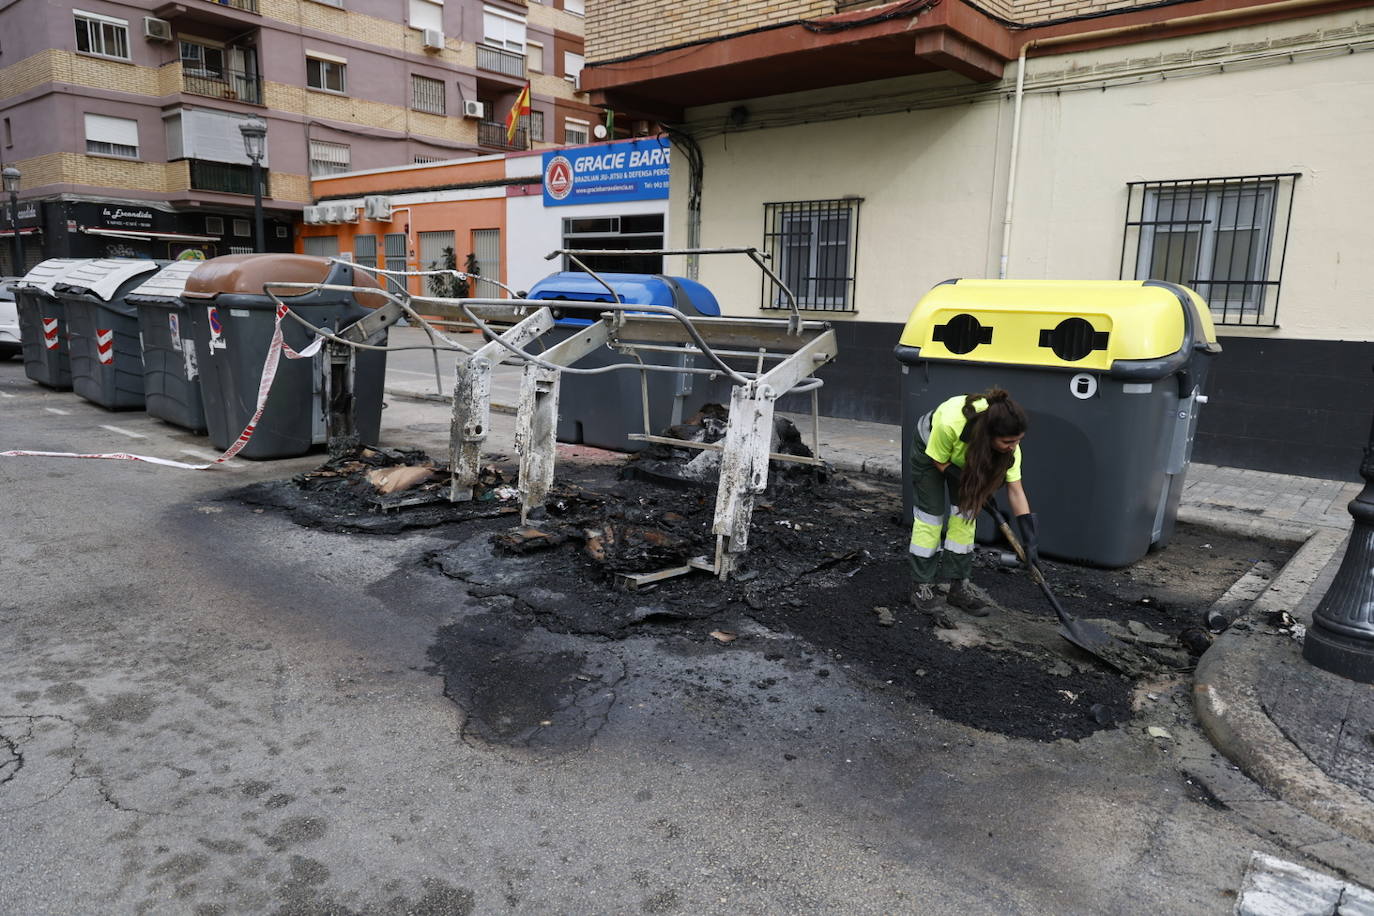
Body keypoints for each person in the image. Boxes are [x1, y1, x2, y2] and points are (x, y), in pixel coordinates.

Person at [908, 388, 1039, 624]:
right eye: (1008, 441)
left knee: (966, 515)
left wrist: (1030, 541)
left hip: (968, 459)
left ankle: (958, 588)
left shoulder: (1010, 449)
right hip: (931, 453)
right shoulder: (951, 423)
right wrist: (970, 486)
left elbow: (1016, 490)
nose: (1014, 446)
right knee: (931, 517)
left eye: (1018, 440)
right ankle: (922, 586)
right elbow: (939, 460)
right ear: (988, 436)